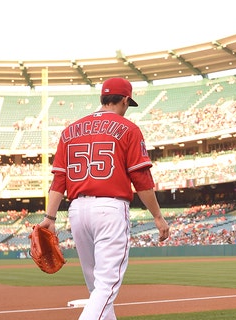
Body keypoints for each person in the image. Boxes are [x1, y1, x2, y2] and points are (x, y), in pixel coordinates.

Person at [39, 77, 170, 320]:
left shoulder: (69, 131)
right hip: (110, 209)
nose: (126, 109)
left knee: (98, 290)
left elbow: (59, 180)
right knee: (107, 288)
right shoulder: (128, 128)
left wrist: (50, 216)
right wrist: (158, 217)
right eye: (127, 104)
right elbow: (140, 178)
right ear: (124, 100)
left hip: (77, 212)